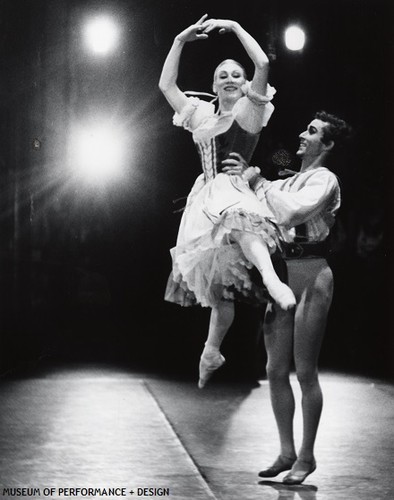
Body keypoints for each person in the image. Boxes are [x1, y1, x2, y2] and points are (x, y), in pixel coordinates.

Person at [158, 15, 296, 389]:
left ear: (245, 83)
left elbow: (263, 63)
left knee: (237, 217)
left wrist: (235, 27)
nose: (231, 78)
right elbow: (166, 84)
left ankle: (270, 279)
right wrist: (179, 40)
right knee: (220, 289)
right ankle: (210, 351)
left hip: (232, 190)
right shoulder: (201, 115)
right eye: (223, 75)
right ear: (213, 86)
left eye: (237, 73)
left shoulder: (249, 111)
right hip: (203, 199)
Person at [224, 111, 353, 484]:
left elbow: (292, 212)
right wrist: (246, 177)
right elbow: (262, 202)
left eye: (311, 132)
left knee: (305, 371)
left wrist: (260, 182)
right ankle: (286, 452)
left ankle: (307, 456)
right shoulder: (291, 177)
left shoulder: (325, 180)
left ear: (326, 145)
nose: (302, 134)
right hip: (283, 276)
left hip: (312, 274)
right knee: (275, 370)